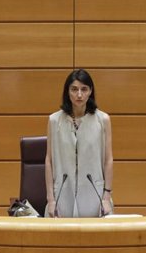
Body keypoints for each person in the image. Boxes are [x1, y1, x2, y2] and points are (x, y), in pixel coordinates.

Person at [45, 69, 113, 217]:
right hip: (62, 193)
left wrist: (106, 196)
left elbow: (108, 160)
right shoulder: (54, 121)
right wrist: (51, 199)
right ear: (67, 92)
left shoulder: (103, 120)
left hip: (95, 192)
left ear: (90, 92)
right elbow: (49, 161)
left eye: (84, 89)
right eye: (74, 89)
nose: (79, 94)